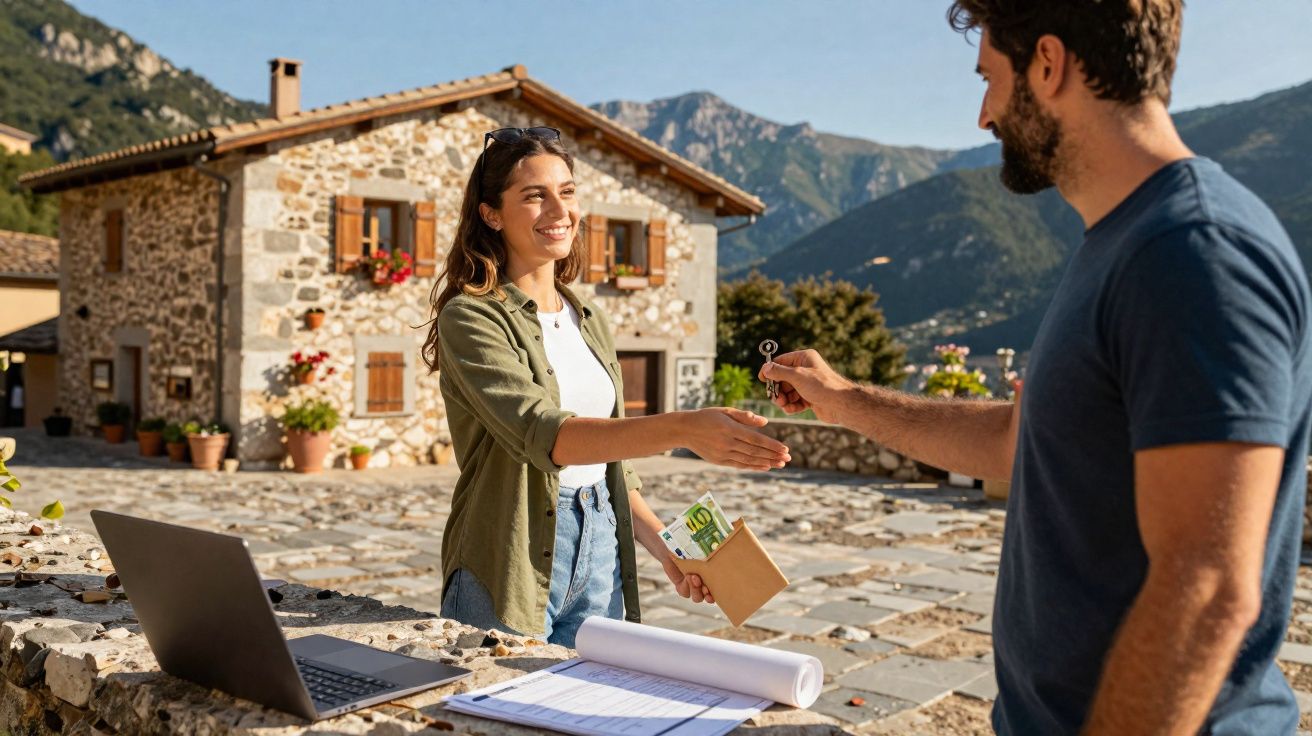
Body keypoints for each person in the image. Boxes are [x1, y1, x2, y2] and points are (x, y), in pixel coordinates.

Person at [760, 2, 1311, 733]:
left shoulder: (1193, 252)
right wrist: (844, 399)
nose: (983, 116)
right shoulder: (1121, 243)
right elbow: (1019, 441)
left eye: (990, 78)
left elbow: (1206, 589)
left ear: (1048, 65)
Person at [423, 126, 790, 647]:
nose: (559, 210)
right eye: (535, 196)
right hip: (509, 557)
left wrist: (668, 550)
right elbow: (548, 436)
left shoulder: (588, 316)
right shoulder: (472, 318)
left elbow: (613, 465)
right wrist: (684, 428)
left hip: (601, 548)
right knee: (505, 712)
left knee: (586, 709)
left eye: (567, 192)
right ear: (491, 214)